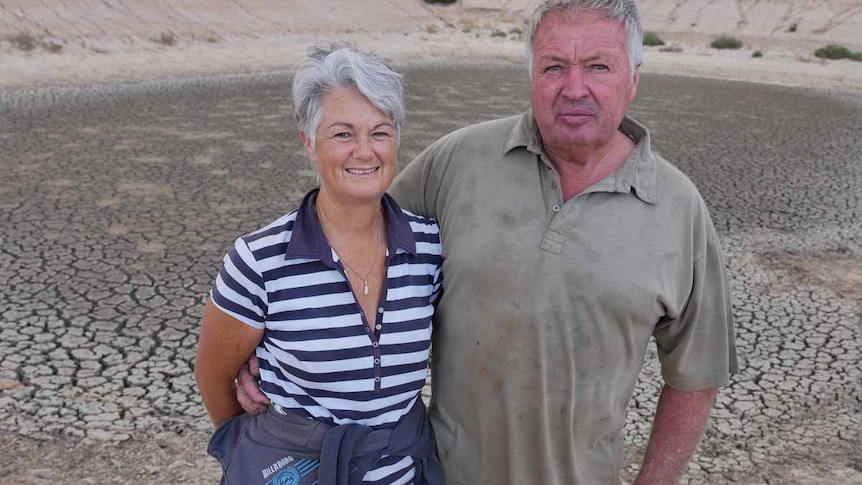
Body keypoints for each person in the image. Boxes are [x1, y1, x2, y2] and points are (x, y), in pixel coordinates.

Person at [238, 0, 738, 483]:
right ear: (531, 75)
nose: (574, 88)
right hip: (441, 475)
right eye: (554, 67)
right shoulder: (458, 162)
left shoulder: (677, 208)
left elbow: (697, 371)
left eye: (599, 66)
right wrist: (268, 341)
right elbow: (352, 238)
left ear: (633, 77)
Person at [195, 43, 444, 485]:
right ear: (309, 142)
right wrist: (254, 452)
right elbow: (213, 375)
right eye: (343, 133)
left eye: (380, 132)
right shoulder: (259, 260)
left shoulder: (430, 249)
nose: (364, 151)